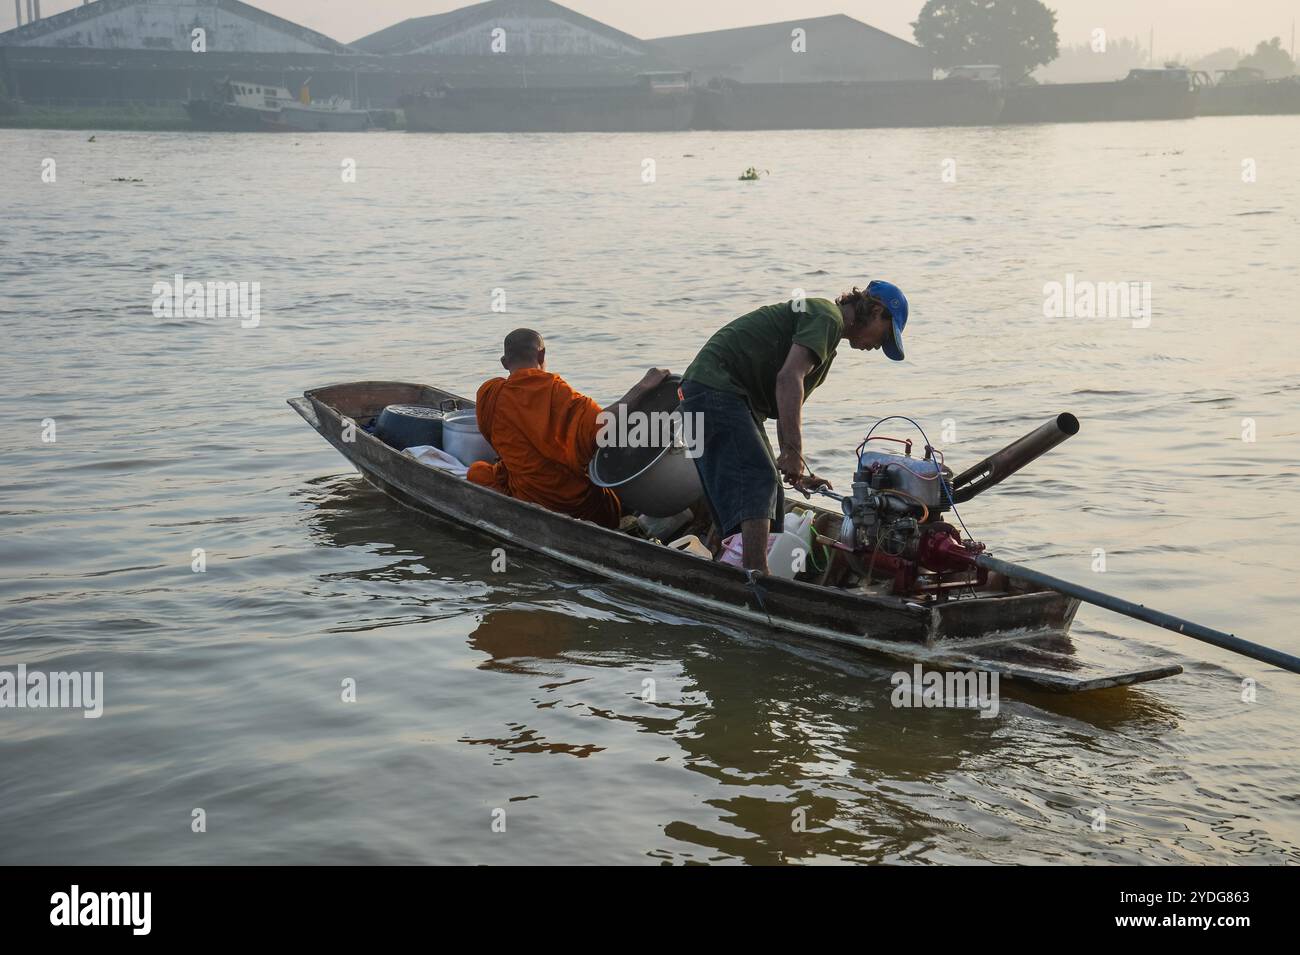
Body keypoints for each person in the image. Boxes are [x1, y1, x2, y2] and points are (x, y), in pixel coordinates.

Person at [680, 281, 909, 574]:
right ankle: (755, 576)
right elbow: (789, 379)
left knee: (771, 485)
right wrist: (791, 448)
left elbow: (784, 398)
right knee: (758, 478)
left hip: (721, 395)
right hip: (717, 388)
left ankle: (739, 567)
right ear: (876, 310)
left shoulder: (827, 335)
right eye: (885, 336)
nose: (879, 346)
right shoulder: (827, 317)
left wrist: (795, 466)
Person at [467, 328, 669, 529]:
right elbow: (603, 425)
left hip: (526, 494)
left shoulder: (490, 393)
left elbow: (492, 437)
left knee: (477, 472)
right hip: (575, 504)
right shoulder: (558, 392)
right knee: (607, 486)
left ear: (504, 363)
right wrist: (642, 387)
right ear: (542, 354)